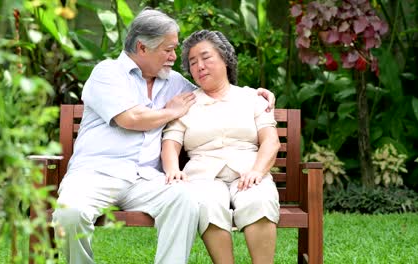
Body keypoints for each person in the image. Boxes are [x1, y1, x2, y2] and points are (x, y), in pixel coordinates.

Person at [52, 9, 276, 264]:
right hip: (96, 174)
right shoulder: (107, 73)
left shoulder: (174, 82)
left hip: (146, 179)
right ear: (142, 47)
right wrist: (169, 111)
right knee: (70, 214)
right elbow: (130, 119)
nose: (173, 57)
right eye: (168, 50)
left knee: (186, 198)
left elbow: (214, 90)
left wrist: (253, 93)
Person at [161, 29, 281, 264]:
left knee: (259, 200)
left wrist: (257, 171)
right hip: (203, 177)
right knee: (207, 204)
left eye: (206, 58)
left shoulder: (253, 99)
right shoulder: (186, 103)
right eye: (193, 62)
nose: (199, 66)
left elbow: (271, 141)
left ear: (225, 59)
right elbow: (170, 143)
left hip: (249, 171)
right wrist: (172, 170)